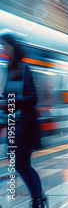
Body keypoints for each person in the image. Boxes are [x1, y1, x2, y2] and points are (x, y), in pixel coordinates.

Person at [0, 34, 47, 208]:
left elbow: (32, 98)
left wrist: (9, 102)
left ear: (14, 47)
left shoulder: (23, 69)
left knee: (22, 164)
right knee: (20, 164)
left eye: (6, 46)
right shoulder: (7, 69)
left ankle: (38, 199)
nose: (4, 50)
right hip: (13, 124)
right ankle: (38, 198)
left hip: (25, 126)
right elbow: (7, 96)